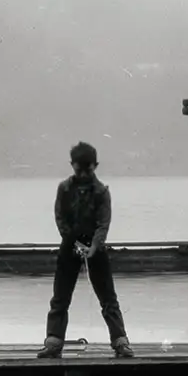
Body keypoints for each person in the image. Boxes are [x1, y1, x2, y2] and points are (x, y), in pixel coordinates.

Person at [39, 142, 133, 359]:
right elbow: (60, 218)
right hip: (70, 244)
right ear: (72, 165)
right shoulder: (63, 189)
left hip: (95, 247)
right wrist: (74, 244)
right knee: (60, 297)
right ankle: (53, 343)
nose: (83, 174)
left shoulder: (102, 192)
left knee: (108, 297)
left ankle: (120, 342)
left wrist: (94, 247)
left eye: (88, 170)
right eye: (78, 169)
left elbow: (103, 223)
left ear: (95, 166)